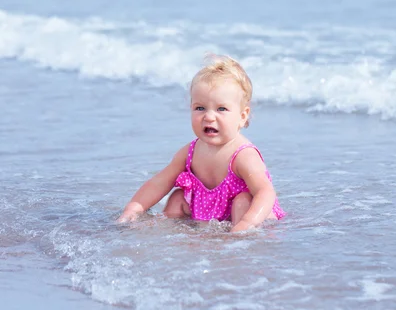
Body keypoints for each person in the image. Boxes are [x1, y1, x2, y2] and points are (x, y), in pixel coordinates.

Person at [117, 55, 285, 232]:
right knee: (177, 197)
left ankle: (240, 239)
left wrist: (247, 223)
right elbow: (159, 182)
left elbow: (265, 193)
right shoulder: (189, 152)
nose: (209, 116)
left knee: (243, 200)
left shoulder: (243, 155)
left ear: (242, 116)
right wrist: (134, 208)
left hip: (255, 215)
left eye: (221, 109)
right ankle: (174, 237)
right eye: (200, 108)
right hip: (210, 214)